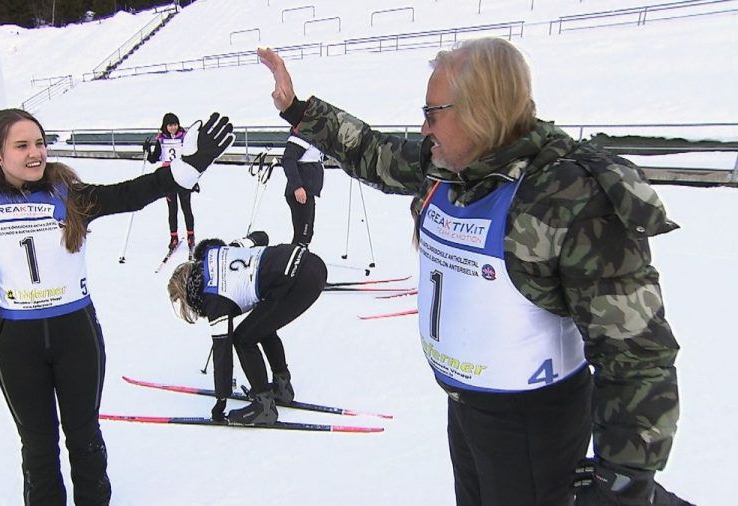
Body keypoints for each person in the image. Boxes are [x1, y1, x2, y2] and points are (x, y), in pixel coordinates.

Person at [258, 40, 691, 506]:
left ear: (481, 113)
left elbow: (636, 353)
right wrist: (298, 109)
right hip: (467, 410)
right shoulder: (450, 167)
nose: (424, 128)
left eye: (432, 113)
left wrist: (623, 480)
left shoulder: (566, 197)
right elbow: (372, 151)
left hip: (532, 427)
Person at [0, 108, 233, 505]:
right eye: (22, 146)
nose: (36, 153)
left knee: (84, 438)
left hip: (75, 336)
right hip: (17, 345)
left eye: (40, 143)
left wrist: (186, 169)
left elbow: (129, 194)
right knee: (37, 449)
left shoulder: (69, 195)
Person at [167, 231, 327, 424]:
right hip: (309, 262)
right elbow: (262, 237)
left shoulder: (214, 299)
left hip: (299, 281)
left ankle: (264, 407)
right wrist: (241, 247)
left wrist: (221, 400)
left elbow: (222, 351)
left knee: (243, 339)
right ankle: (282, 388)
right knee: (260, 326)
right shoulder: (216, 251)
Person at [144, 112, 196, 253]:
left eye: (175, 124)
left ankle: (191, 235)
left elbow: (192, 156)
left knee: (186, 207)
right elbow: (155, 158)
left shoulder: (185, 138)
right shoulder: (161, 140)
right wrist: (147, 151)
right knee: (172, 210)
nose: (173, 128)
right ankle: (173, 237)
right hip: (168, 178)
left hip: (183, 176)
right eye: (170, 125)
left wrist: (193, 178)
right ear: (165, 126)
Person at [281, 130, 324, 245]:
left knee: (307, 233)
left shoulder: (314, 137)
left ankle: (300, 258)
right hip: (300, 193)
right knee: (302, 234)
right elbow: (288, 160)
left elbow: (316, 157)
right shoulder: (301, 135)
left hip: (309, 191)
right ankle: (294, 259)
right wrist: (297, 187)